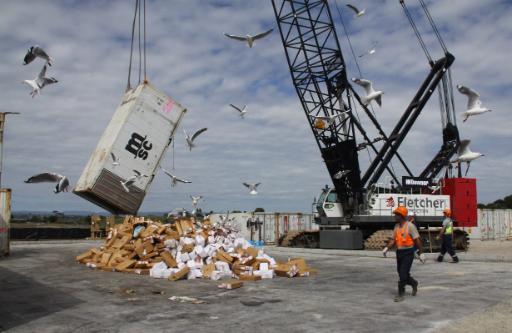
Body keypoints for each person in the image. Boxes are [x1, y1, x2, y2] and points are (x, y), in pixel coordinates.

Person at [383, 205, 425, 302]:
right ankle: (414, 283)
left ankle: (400, 294)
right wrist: (386, 248)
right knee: (402, 273)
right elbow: (393, 240)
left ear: (401, 215)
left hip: (408, 253)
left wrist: (421, 253)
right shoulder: (396, 226)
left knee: (402, 274)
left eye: (396, 214)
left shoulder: (410, 226)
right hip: (399, 252)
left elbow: (417, 240)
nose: (394, 216)